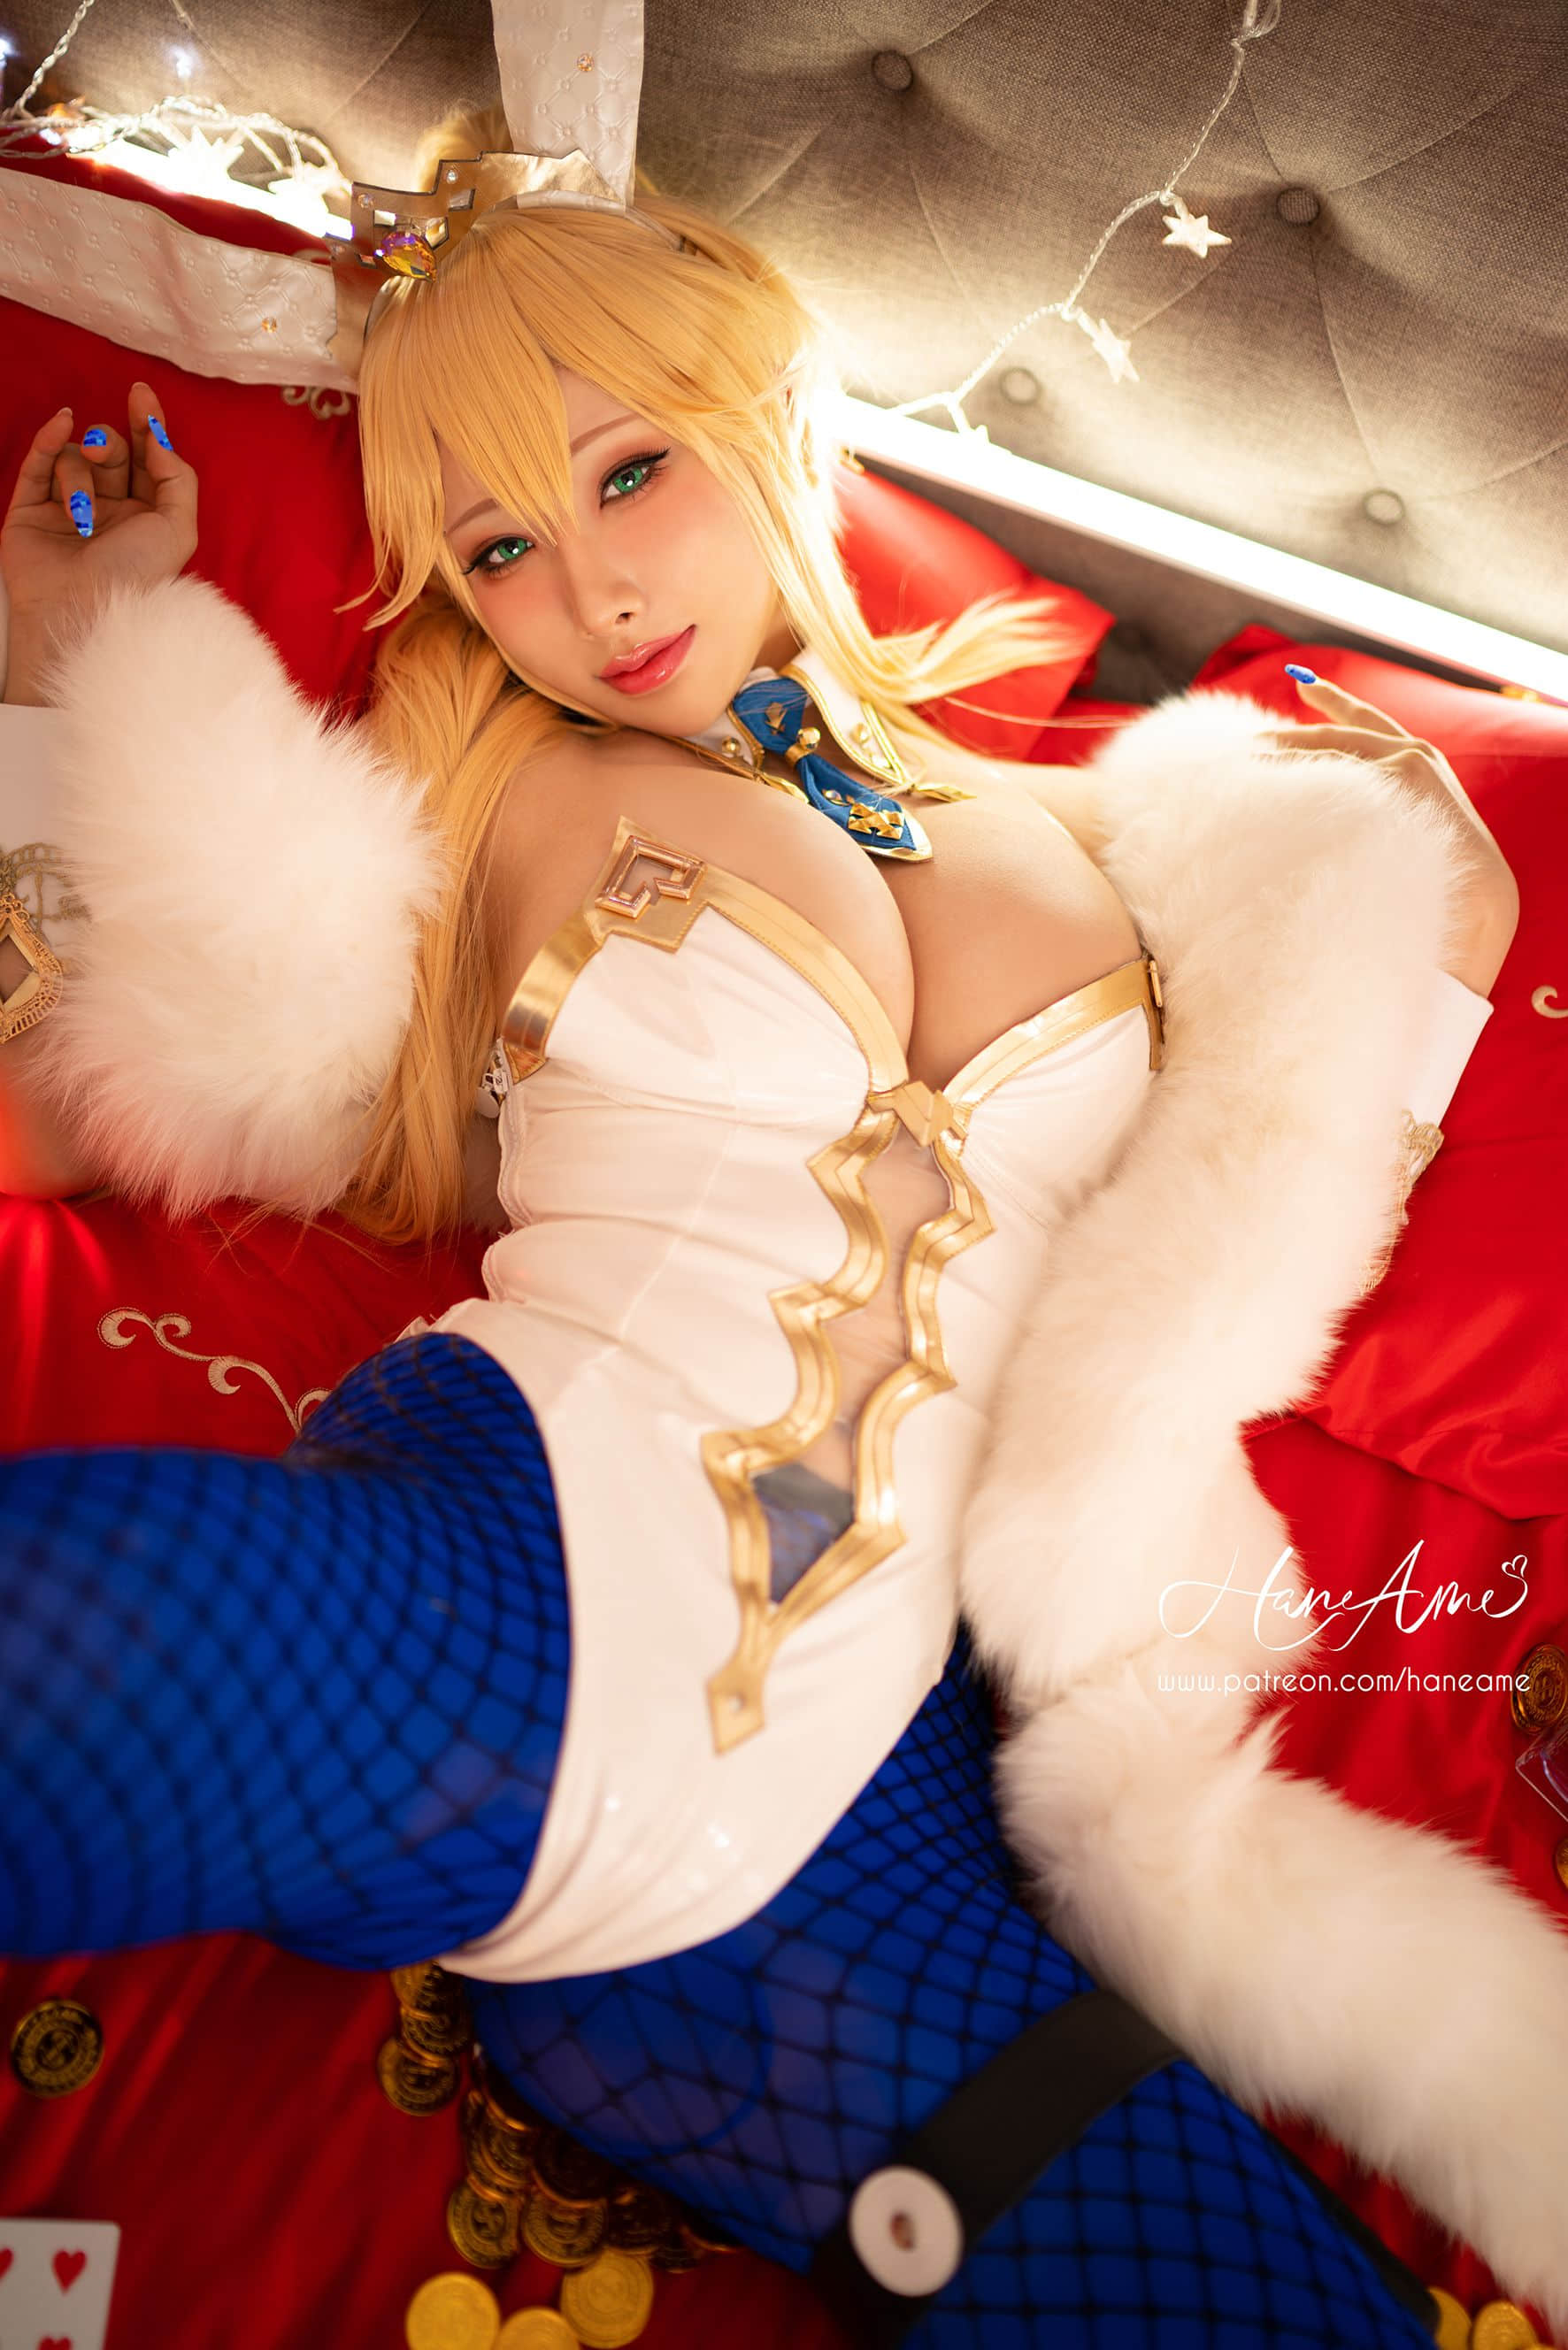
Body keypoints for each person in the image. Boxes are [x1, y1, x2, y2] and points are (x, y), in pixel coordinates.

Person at [0, 112, 1553, 2346]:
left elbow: (1282, 1214)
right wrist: (77, 665)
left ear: (767, 415)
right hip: (498, 1582)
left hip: (879, 1830)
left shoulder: (1132, 843)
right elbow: (73, 1103)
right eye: (502, 545)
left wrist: (1404, 912)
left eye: (630, 472)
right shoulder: (484, 799)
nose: (594, 592)